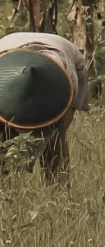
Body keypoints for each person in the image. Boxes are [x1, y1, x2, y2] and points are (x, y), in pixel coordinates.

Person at [0, 29, 91, 180]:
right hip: (11, 45)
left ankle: (57, 189)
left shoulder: (67, 80)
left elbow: (60, 121)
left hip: (61, 54)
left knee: (55, 138)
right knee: (4, 139)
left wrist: (31, 149)